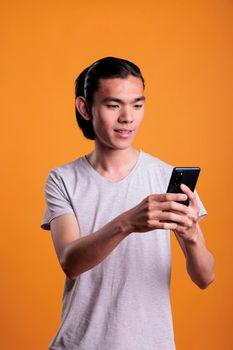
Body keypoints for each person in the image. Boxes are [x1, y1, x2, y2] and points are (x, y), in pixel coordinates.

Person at [40, 57, 215, 350]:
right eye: (113, 105)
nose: (127, 117)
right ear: (85, 108)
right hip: (79, 344)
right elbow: (70, 262)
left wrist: (191, 234)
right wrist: (127, 223)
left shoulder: (164, 176)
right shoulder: (63, 179)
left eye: (137, 104)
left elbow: (205, 277)